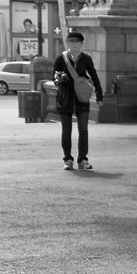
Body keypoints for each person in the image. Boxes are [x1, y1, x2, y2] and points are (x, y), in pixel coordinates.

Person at [53, 31, 102, 171]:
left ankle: (83, 159)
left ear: (81, 43)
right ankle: (68, 159)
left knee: (83, 129)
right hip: (65, 98)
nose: (74, 44)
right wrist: (59, 78)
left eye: (77, 42)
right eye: (72, 41)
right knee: (66, 130)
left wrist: (99, 95)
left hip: (81, 98)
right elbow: (54, 76)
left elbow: (94, 76)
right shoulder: (61, 59)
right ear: (68, 43)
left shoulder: (86, 58)